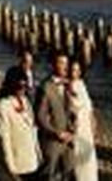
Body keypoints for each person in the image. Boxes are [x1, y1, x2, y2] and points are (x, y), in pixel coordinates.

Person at [0, 67, 42, 180]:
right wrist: (10, 168)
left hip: (32, 160)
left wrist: (39, 154)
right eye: (19, 87)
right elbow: (4, 138)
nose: (22, 90)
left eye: (24, 86)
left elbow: (32, 130)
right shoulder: (3, 105)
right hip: (18, 164)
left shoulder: (26, 102)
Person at [36, 51, 75, 180]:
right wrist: (56, 133)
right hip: (52, 140)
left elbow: (71, 112)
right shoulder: (45, 87)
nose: (65, 66)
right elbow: (40, 116)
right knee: (48, 174)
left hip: (69, 139)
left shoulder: (69, 84)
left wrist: (72, 130)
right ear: (53, 65)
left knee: (68, 172)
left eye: (66, 63)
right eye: (61, 63)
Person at [68, 60, 98, 181]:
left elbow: (90, 108)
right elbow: (71, 109)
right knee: (80, 159)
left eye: (77, 70)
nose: (75, 72)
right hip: (78, 126)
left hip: (86, 126)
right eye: (72, 69)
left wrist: (94, 126)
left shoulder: (81, 84)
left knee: (90, 159)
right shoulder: (68, 86)